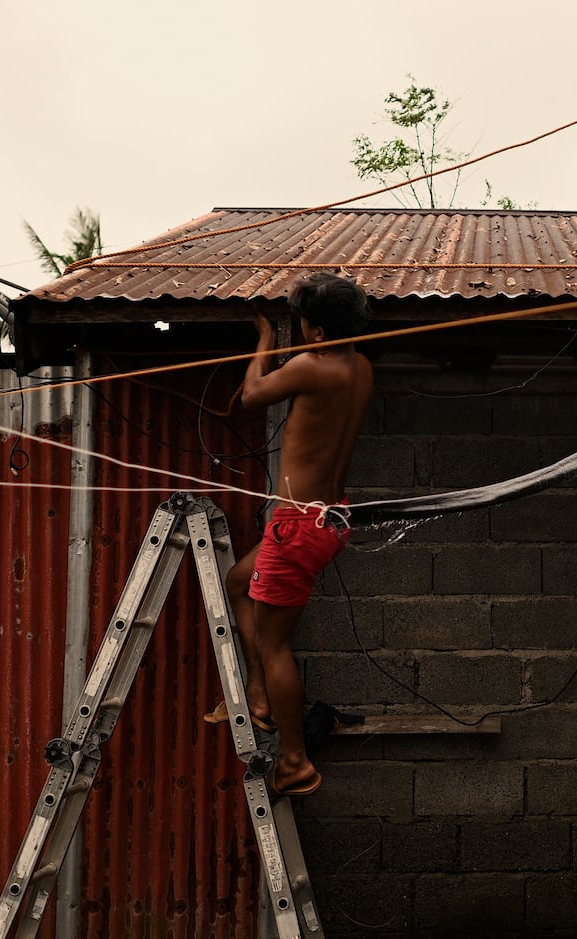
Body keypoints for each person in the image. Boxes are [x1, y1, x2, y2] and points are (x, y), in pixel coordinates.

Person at [221, 272, 374, 797]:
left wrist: (264, 342)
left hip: (297, 524)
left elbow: (252, 396)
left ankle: (294, 762)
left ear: (314, 332)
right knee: (237, 583)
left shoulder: (312, 366)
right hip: (330, 518)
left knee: (274, 643)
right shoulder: (361, 368)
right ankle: (259, 694)